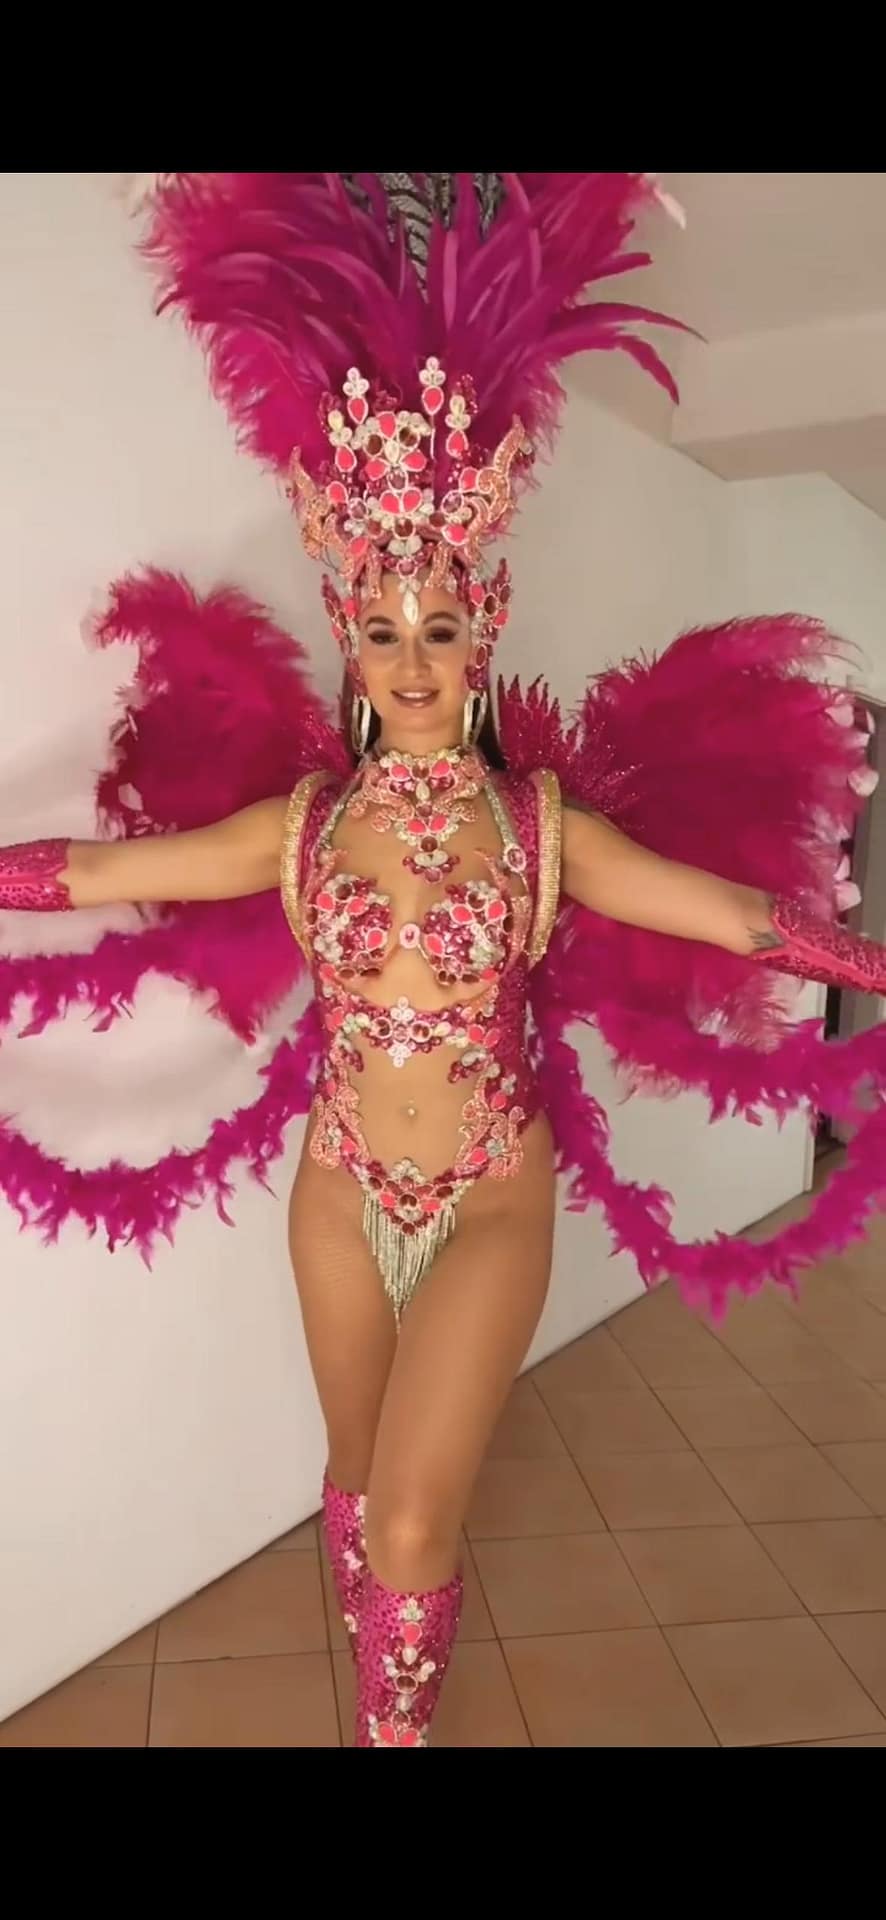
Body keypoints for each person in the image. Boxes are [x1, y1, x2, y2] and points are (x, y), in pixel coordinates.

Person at [3, 172, 886, 1748]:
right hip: (338, 1190)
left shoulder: (544, 829)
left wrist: (868, 966)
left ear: (480, 631)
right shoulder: (296, 829)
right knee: (355, 1491)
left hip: (488, 1192)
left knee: (415, 1520)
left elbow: (733, 914)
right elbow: (101, 870)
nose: (410, 662)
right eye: (383, 628)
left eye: (437, 627)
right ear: (349, 636)